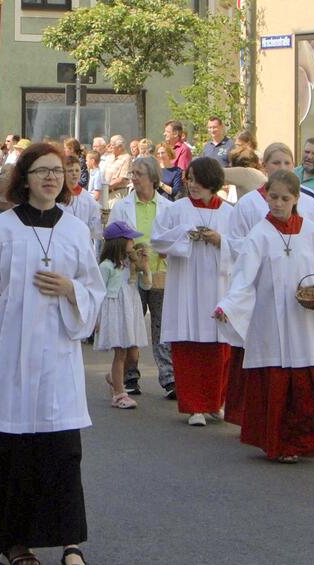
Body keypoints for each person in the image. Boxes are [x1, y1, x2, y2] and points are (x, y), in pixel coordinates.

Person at [0, 143, 104, 565]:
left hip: (56, 356)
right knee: (10, 451)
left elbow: (94, 291)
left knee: (60, 451)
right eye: (42, 171)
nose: (51, 178)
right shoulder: (0, 229)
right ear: (24, 178)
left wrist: (70, 290)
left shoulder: (76, 230)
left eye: (57, 171)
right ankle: (13, 543)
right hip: (7, 351)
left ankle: (69, 542)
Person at [214, 170, 314, 463]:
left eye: (284, 198)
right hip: (272, 319)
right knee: (277, 378)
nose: (277, 204)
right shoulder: (260, 234)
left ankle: (307, 440)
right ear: (265, 196)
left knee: (308, 380)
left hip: (306, 319)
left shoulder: (312, 232)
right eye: (273, 197)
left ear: (296, 200)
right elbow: (243, 277)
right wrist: (228, 306)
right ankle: (280, 443)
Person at [225, 143, 314, 426]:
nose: (281, 168)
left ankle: (305, 430)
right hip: (267, 301)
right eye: (275, 163)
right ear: (264, 166)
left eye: (286, 163)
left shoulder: (310, 211)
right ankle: (271, 428)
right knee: (273, 367)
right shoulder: (250, 210)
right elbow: (240, 258)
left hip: (304, 308)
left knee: (305, 369)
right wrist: (231, 305)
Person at [151, 157, 235, 427]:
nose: (192, 184)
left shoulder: (229, 213)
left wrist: (221, 240)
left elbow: (245, 246)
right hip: (186, 283)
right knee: (189, 345)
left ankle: (214, 403)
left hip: (217, 285)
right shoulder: (177, 210)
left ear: (212, 182)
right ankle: (194, 406)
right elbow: (158, 238)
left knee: (218, 347)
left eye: (198, 180)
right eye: (189, 178)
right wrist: (186, 234)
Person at [110, 156, 176, 398]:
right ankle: (130, 377)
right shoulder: (122, 206)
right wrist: (130, 255)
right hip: (131, 274)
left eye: (138, 173)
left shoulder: (169, 207)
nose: (133, 178)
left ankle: (169, 378)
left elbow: (174, 238)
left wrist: (167, 251)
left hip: (161, 272)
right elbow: (112, 241)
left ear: (153, 178)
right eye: (132, 173)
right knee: (132, 325)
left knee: (162, 327)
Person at [95, 220, 147, 410]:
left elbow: (145, 285)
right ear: (119, 242)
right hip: (115, 309)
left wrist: (144, 267)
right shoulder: (107, 266)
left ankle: (113, 378)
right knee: (121, 352)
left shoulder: (130, 264)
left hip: (130, 308)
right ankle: (119, 393)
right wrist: (97, 318)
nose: (133, 243)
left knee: (133, 354)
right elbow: (98, 291)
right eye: (130, 239)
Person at [60, 151, 103, 244]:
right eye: (70, 171)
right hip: (62, 241)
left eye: (77, 170)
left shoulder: (87, 197)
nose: (74, 174)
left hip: (82, 242)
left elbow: (95, 227)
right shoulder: (57, 196)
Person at [102, 135, 132, 213]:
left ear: (120, 147)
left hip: (117, 195)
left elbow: (122, 179)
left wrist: (105, 187)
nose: (110, 147)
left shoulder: (127, 158)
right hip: (105, 195)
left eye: (112, 145)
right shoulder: (109, 157)